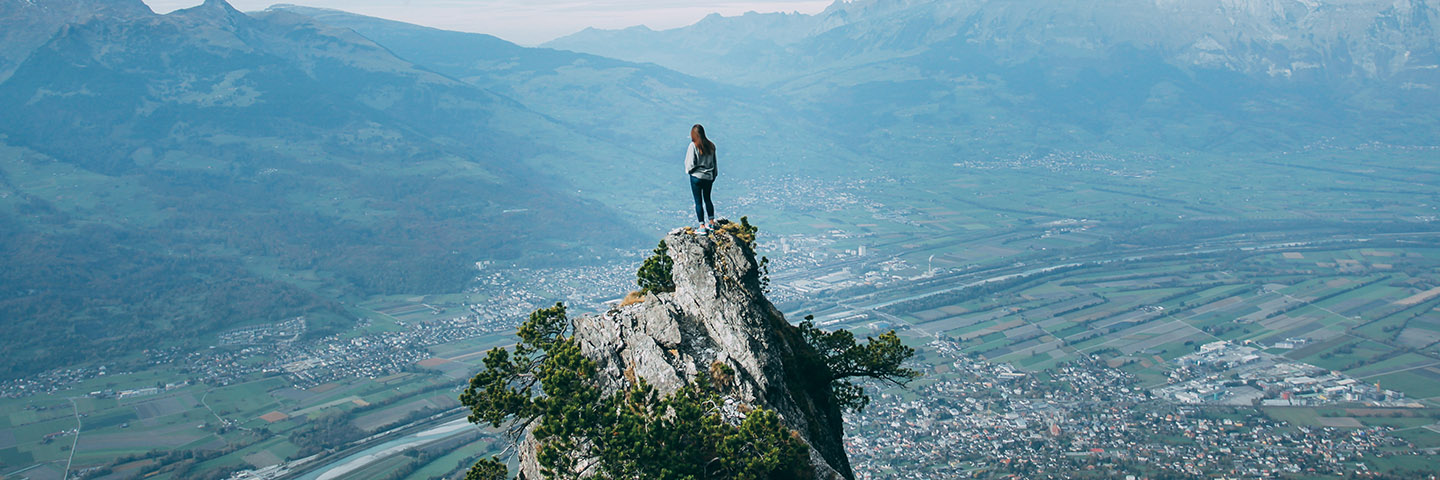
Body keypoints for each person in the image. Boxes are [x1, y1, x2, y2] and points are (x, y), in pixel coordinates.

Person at [685, 124, 718, 233]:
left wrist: (690, 171)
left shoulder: (693, 146)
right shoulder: (711, 146)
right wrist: (713, 175)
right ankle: (712, 223)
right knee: (708, 199)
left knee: (698, 201)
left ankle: (702, 226)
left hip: (696, 177)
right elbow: (714, 163)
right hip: (709, 176)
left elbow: (690, 164)